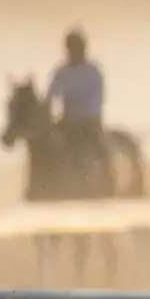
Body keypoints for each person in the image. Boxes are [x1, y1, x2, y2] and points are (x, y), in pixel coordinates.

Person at [46, 28, 108, 185]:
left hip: (89, 122)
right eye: (70, 48)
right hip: (67, 121)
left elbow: (97, 99)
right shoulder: (61, 72)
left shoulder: (93, 72)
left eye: (76, 48)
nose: (73, 52)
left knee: (100, 148)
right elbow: (51, 96)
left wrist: (83, 116)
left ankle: (108, 177)